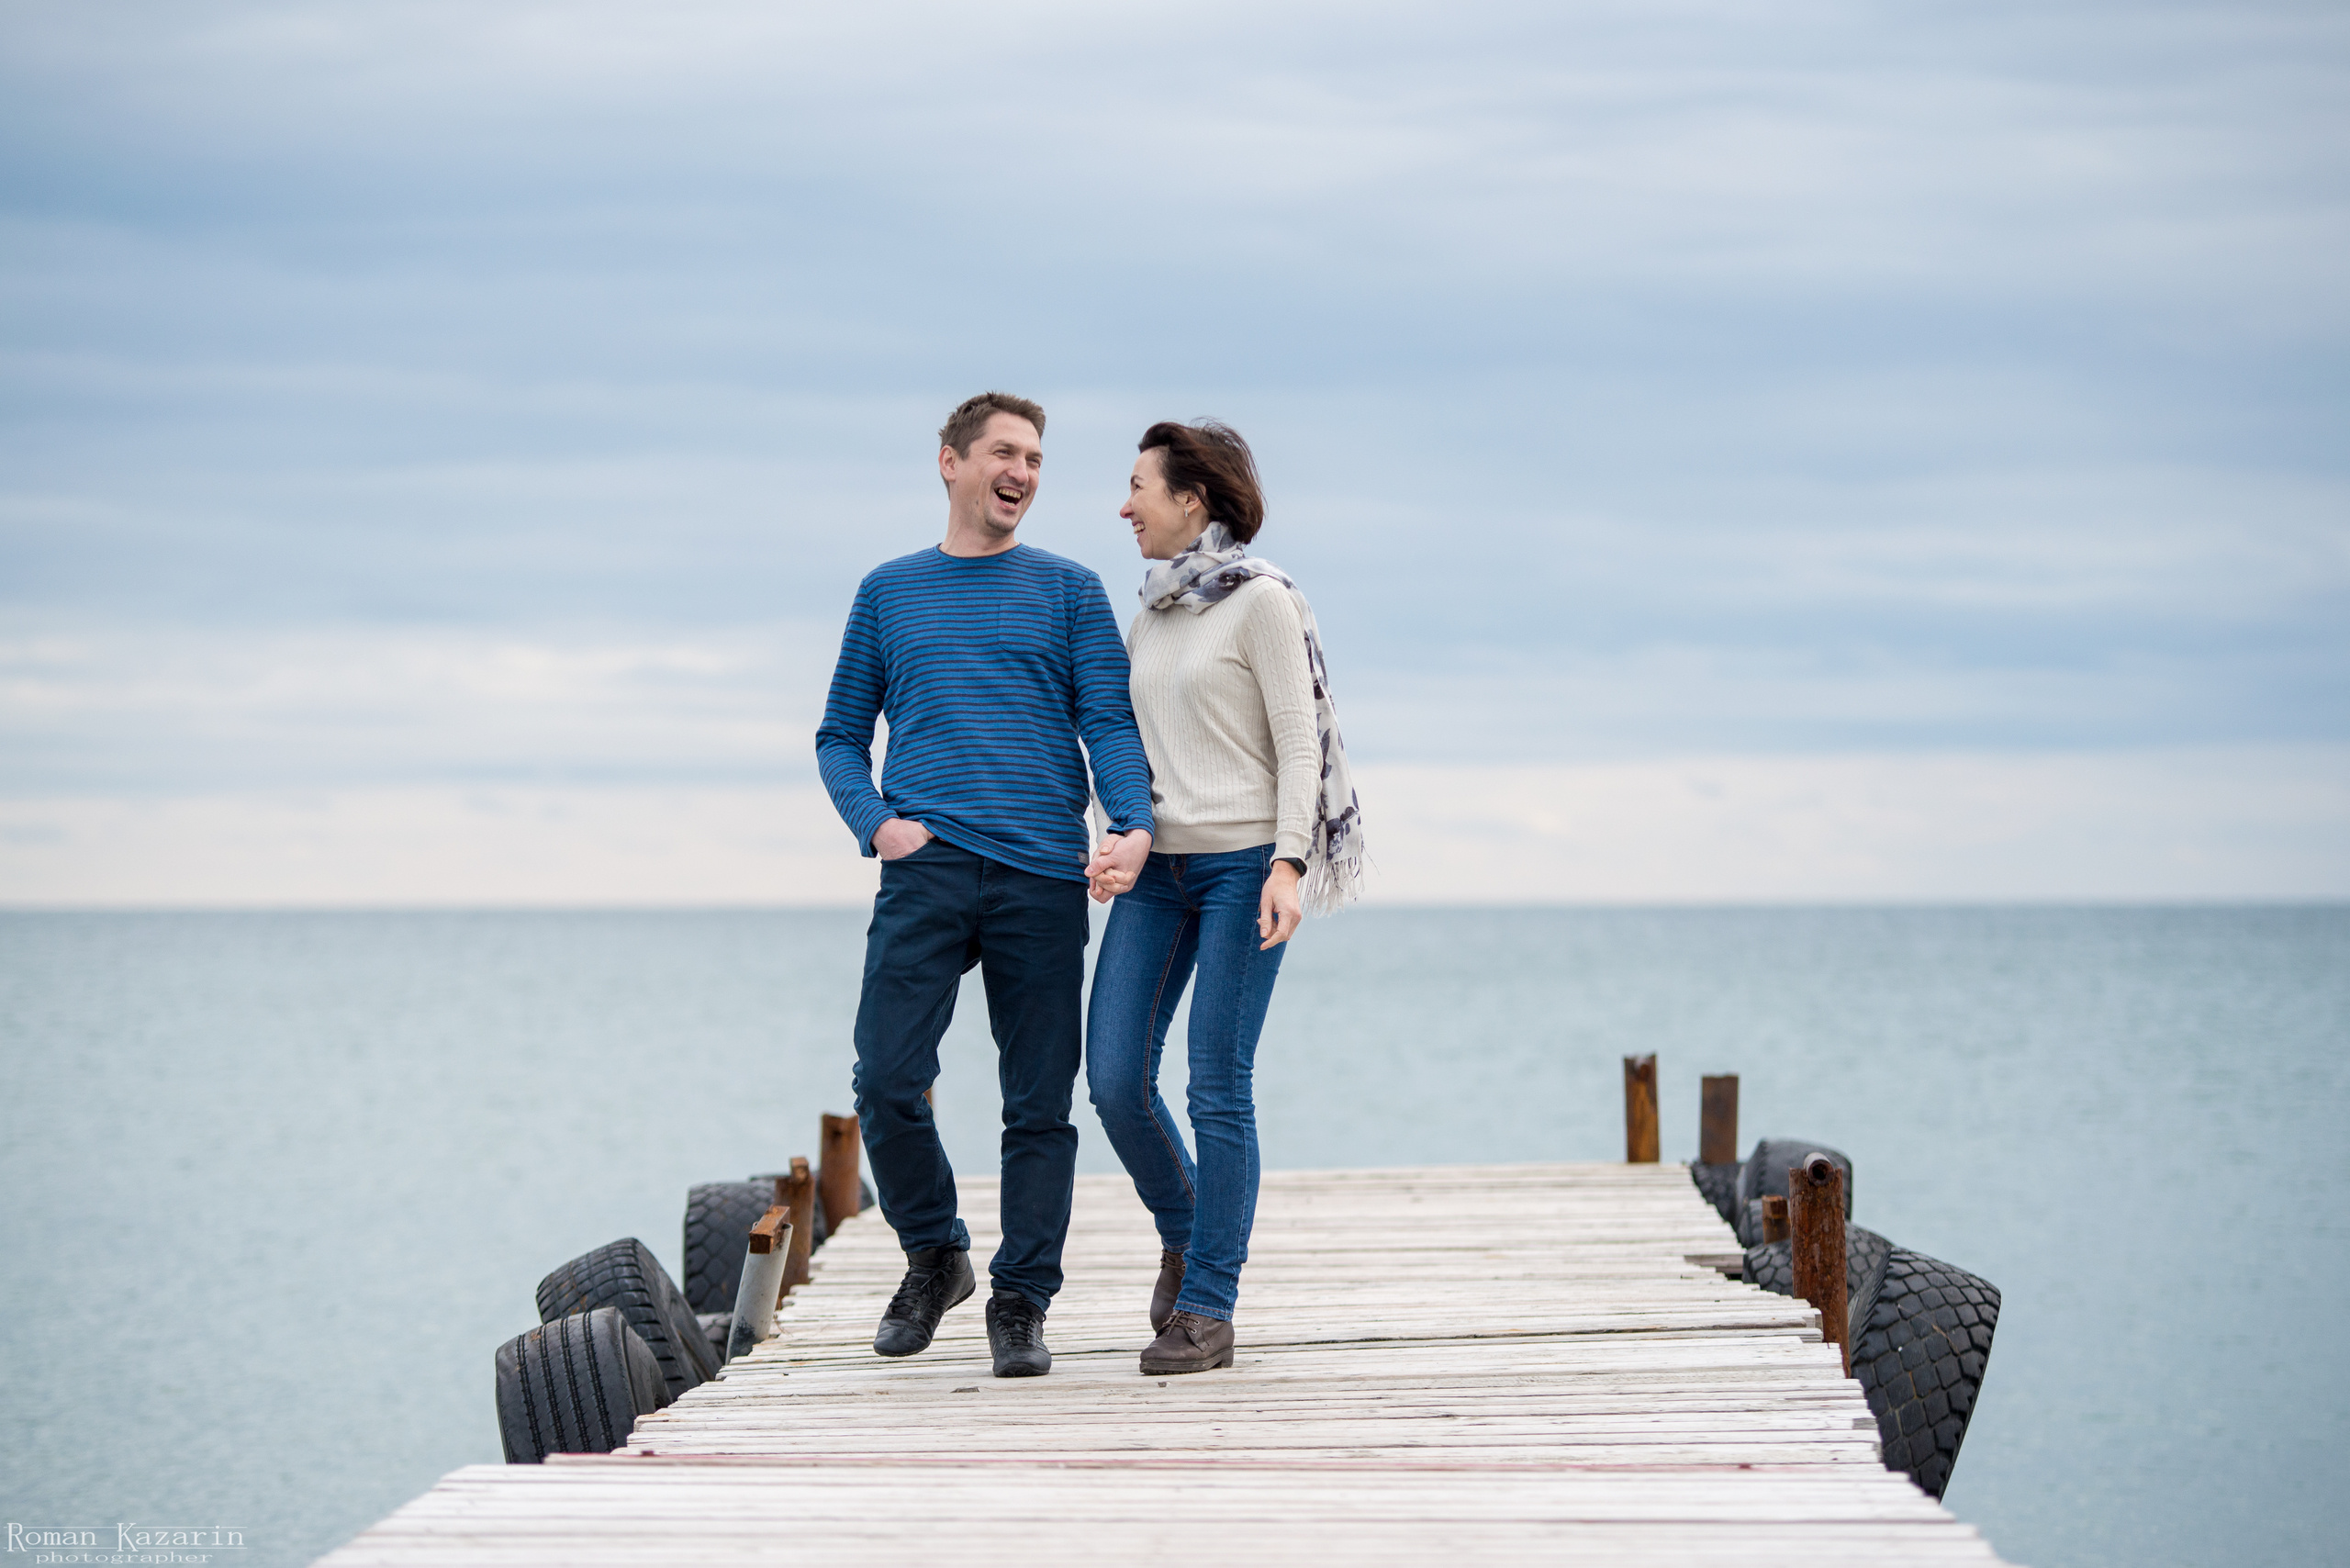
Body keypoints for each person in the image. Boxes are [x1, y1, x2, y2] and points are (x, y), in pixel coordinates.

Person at [815, 391, 1157, 1379]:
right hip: (924, 870)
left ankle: (1022, 1298)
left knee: (1038, 1102)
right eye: (1006, 452)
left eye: (1038, 459)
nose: (1024, 472)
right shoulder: (889, 592)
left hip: (1042, 874)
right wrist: (878, 824)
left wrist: (1129, 824)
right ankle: (934, 1254)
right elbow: (841, 733)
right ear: (951, 462)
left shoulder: (1069, 590)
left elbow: (1109, 724)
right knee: (884, 1077)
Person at [1082, 419, 1365, 1376]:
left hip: (1245, 866)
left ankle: (1208, 1304)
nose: (1124, 506)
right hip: (1157, 875)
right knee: (1115, 1079)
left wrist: (1291, 861)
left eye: (1138, 487)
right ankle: (1187, 1225)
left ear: (1192, 498)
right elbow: (1131, 745)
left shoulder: (1261, 601)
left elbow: (1300, 743)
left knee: (1216, 1083)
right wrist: (1118, 839)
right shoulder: (1152, 611)